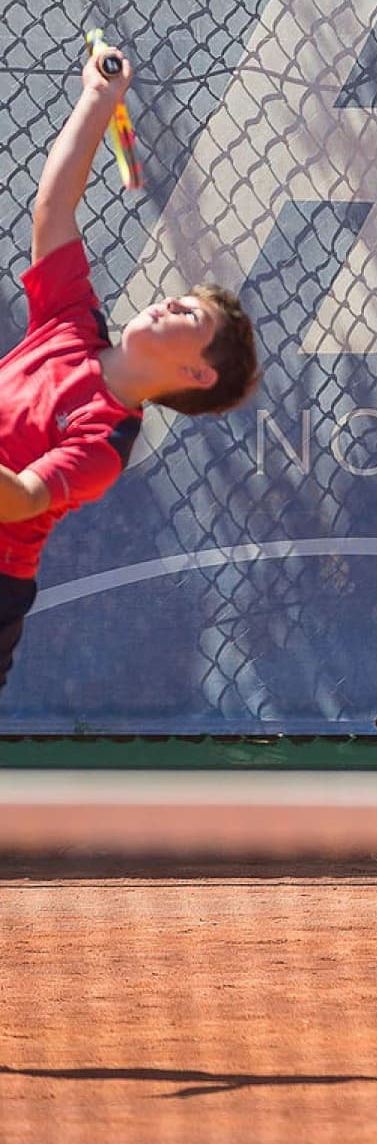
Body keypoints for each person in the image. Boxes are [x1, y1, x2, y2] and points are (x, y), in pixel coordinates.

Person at [0, 44, 259, 691]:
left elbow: (22, 499)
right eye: (181, 298)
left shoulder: (107, 444)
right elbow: (54, 208)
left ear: (197, 375)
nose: (171, 301)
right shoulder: (68, 319)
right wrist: (99, 98)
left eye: (190, 318)